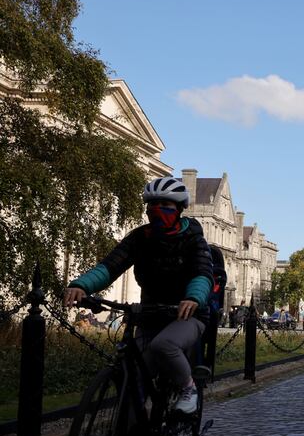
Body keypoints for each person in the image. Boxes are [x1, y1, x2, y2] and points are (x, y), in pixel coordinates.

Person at [64, 177, 212, 414]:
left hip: (187, 314)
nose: (157, 210)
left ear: (179, 210)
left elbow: (203, 272)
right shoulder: (141, 237)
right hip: (149, 314)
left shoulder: (193, 240)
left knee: (165, 345)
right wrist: (82, 285)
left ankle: (188, 388)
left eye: (166, 205)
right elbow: (111, 265)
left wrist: (193, 297)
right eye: (152, 205)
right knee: (133, 376)